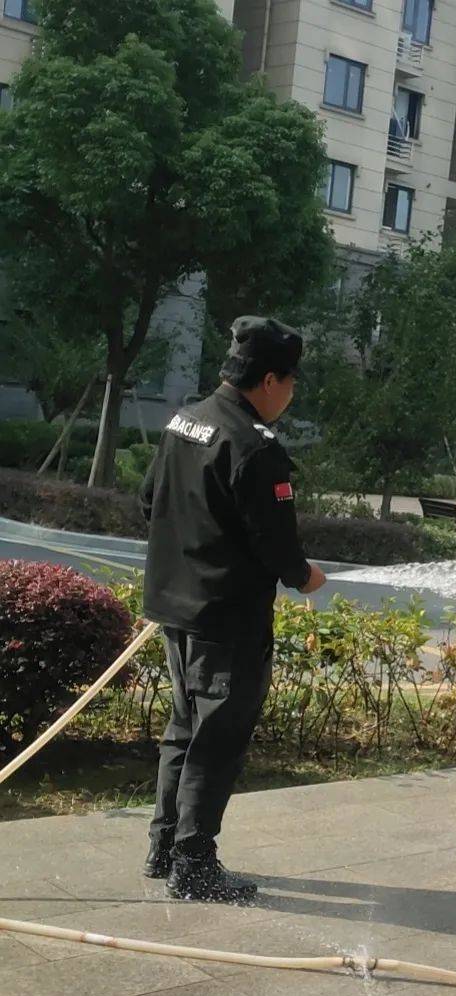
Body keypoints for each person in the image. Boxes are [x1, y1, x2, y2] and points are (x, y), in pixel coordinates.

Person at [138, 316, 326, 902]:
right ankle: (194, 865)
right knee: (216, 739)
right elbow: (276, 544)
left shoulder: (185, 421)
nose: (290, 395)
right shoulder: (253, 445)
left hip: (177, 608)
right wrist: (306, 576)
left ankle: (164, 848)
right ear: (269, 380)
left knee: (184, 729)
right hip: (226, 620)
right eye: (290, 383)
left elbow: (149, 499)